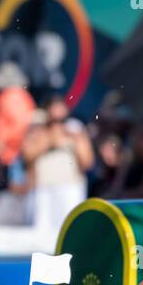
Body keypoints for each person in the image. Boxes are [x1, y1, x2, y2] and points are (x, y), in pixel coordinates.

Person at [26, 97, 93, 237]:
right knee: (41, 235)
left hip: (69, 187)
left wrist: (74, 139)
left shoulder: (75, 129)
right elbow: (27, 155)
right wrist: (50, 141)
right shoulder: (38, 130)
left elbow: (87, 161)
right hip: (43, 189)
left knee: (71, 231)